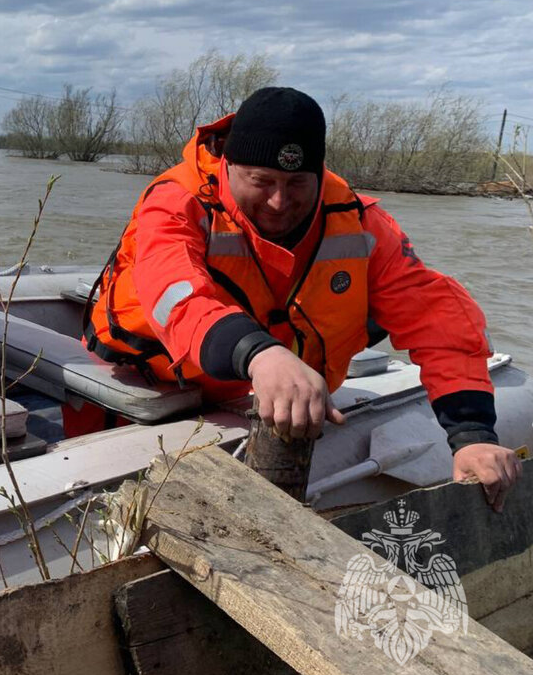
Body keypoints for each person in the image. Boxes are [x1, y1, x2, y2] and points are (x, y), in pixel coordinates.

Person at [86, 86, 522, 510]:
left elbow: (437, 318)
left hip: (273, 385)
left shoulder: (359, 221)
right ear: (227, 167)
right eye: (262, 181)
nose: (278, 201)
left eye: (297, 183)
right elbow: (175, 295)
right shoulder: (175, 202)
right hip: (153, 378)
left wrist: (472, 434)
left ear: (319, 173)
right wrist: (261, 355)